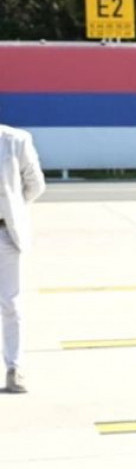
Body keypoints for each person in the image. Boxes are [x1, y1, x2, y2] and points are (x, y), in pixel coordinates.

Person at [0, 121, 45, 394]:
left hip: (6, 233)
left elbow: (35, 185)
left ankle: (15, 368)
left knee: (10, 303)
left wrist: (14, 209)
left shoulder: (16, 140)